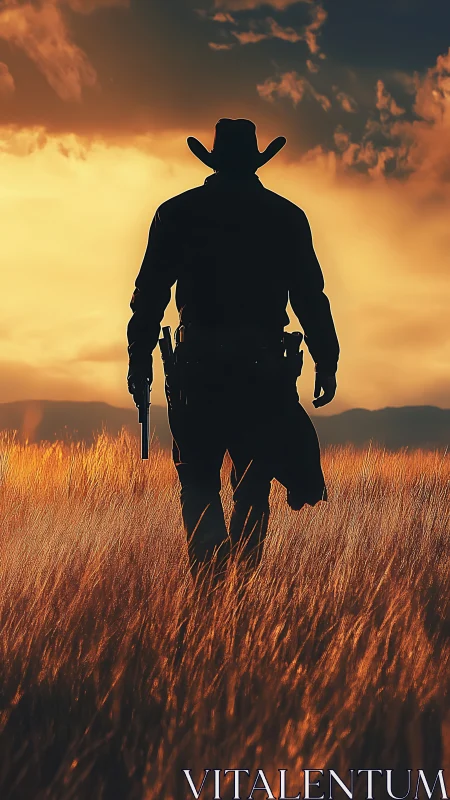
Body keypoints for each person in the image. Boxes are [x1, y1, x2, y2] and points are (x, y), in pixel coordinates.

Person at [127, 118, 339, 579]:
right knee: (253, 484)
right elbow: (309, 296)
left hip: (197, 372)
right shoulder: (285, 216)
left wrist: (138, 356)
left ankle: (209, 585)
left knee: (198, 481)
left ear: (215, 160)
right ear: (255, 160)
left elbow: (149, 295)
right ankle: (239, 593)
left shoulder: (177, 213)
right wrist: (326, 358)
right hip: (262, 374)